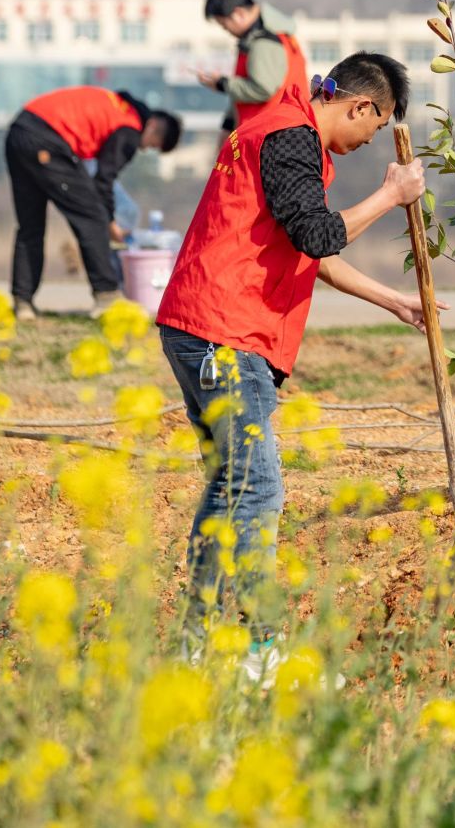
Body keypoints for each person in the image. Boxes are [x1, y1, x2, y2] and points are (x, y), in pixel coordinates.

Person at [156, 53, 438, 677]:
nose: (369, 140)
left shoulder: (277, 130)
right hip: (226, 334)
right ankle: (260, 649)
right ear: (363, 107)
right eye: (375, 126)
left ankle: (195, 644)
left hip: (201, 326)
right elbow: (318, 235)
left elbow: (308, 248)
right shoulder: (290, 137)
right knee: (256, 489)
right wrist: (390, 196)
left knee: (230, 487)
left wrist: (393, 299)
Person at [6, 86, 181, 320]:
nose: (144, 148)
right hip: (47, 139)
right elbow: (103, 181)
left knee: (31, 226)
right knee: (93, 218)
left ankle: (23, 302)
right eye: (152, 144)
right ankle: (107, 295)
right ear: (154, 127)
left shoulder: (117, 107)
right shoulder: (130, 127)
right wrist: (110, 224)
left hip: (20, 131)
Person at [194, 0, 306, 131]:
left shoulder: (263, 42)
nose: (226, 31)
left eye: (224, 25)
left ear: (239, 14)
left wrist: (223, 84)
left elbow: (262, 89)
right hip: (284, 131)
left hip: (272, 135)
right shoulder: (275, 35)